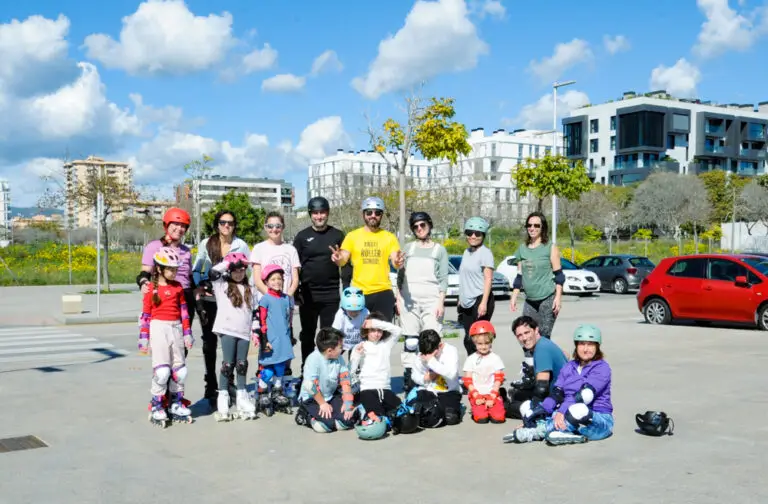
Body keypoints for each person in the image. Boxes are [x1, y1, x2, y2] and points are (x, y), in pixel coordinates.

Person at [503, 324, 614, 446]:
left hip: (597, 421)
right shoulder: (569, 366)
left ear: (597, 346)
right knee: (527, 406)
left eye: (590, 344)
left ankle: (539, 431)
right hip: (569, 414)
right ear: (576, 345)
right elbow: (557, 393)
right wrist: (536, 413)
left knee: (578, 409)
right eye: (582, 344)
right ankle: (558, 431)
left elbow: (585, 395)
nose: (586, 349)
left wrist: (561, 411)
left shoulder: (602, 368)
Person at [192, 210, 251, 408]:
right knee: (209, 342)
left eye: (231, 223)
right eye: (223, 222)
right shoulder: (207, 243)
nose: (227, 226)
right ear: (217, 224)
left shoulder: (240, 244)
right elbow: (197, 269)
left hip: (232, 298)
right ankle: (211, 385)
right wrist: (200, 286)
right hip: (210, 298)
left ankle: (230, 384)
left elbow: (247, 269)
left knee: (233, 342)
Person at [138, 247, 195, 427]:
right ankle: (156, 403)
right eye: (170, 269)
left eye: (176, 269)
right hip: (158, 328)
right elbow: (146, 314)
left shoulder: (178, 287)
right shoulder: (151, 288)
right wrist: (144, 338)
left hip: (176, 327)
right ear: (159, 269)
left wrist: (187, 332)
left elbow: (184, 312)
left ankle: (176, 402)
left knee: (180, 371)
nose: (174, 272)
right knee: (162, 372)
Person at [293, 196, 352, 369]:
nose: (319, 216)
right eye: (316, 213)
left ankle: (329, 371)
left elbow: (346, 264)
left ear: (327, 213)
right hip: (308, 295)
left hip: (331, 295)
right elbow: (295, 267)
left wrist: (347, 290)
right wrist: (295, 292)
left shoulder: (337, 235)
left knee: (329, 337)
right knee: (308, 335)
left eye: (323, 212)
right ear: (311, 214)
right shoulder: (302, 237)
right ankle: (307, 370)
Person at [397, 211, 449, 392]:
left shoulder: (439, 250)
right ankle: (410, 375)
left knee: (431, 339)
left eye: (422, 225)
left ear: (429, 225)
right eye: (416, 227)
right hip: (409, 300)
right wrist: (398, 299)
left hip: (431, 299)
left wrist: (441, 302)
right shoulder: (408, 248)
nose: (419, 229)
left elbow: (443, 278)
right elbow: (400, 275)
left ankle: (433, 374)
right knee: (411, 341)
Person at [330, 196, 403, 321]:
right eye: (369, 212)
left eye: (377, 212)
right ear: (363, 214)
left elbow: (395, 261)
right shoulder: (352, 236)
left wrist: (397, 262)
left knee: (383, 335)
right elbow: (343, 259)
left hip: (383, 291)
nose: (373, 215)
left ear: (382, 215)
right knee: (360, 335)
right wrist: (338, 258)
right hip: (359, 294)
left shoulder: (389, 237)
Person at [207, 252, 259, 422]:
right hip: (227, 330)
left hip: (244, 332)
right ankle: (223, 395)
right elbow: (213, 272)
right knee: (228, 364)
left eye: (242, 270)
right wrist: (228, 263)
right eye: (235, 270)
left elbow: (255, 312)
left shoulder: (250, 288)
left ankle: (242, 395)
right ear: (229, 271)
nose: (239, 273)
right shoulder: (221, 286)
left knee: (242, 364)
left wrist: (256, 330)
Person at [250, 211, 301, 375]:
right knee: (267, 342)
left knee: (285, 341)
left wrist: (286, 297)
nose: (274, 229)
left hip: (286, 304)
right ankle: (263, 383)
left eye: (278, 226)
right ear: (265, 228)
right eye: (270, 226)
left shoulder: (290, 249)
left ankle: (283, 381)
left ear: (283, 227)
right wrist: (273, 299)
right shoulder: (259, 248)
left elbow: (295, 278)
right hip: (267, 305)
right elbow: (258, 280)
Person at [137, 207, 196, 332]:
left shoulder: (186, 251)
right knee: (162, 337)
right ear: (166, 225)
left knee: (182, 340)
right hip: (164, 295)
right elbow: (144, 272)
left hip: (185, 295)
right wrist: (143, 282)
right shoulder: (154, 247)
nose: (179, 228)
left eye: (183, 226)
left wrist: (197, 293)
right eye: (175, 224)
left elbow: (189, 276)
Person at [509, 212, 563, 339]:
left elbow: (559, 276)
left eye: (536, 225)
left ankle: (549, 358)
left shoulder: (550, 247)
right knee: (526, 335)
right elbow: (519, 276)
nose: (532, 228)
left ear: (542, 227)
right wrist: (514, 297)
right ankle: (531, 359)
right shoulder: (522, 249)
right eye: (529, 225)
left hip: (547, 298)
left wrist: (558, 298)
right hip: (530, 300)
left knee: (543, 336)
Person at [503, 316, 567, 421]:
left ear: (536, 330)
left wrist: (534, 410)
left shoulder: (541, 349)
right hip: (561, 392)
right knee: (518, 394)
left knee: (507, 408)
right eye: (519, 335)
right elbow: (565, 355)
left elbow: (542, 388)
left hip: (557, 399)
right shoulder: (545, 342)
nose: (524, 338)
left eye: (527, 332)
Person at [295, 328, 357, 433]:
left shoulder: (338, 358)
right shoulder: (313, 359)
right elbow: (310, 386)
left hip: (330, 396)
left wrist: (347, 402)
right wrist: (322, 404)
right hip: (312, 398)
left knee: (347, 420)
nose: (342, 349)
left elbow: (345, 379)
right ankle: (304, 415)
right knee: (326, 426)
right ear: (329, 351)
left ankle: (330, 411)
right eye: (340, 347)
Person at [349, 312, 403, 426]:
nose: (376, 334)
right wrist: (357, 356)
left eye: (379, 330)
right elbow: (352, 371)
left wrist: (374, 322)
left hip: (385, 389)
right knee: (378, 419)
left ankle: (366, 410)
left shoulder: (386, 344)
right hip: (367, 389)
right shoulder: (361, 346)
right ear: (366, 331)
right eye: (373, 330)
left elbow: (398, 330)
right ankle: (361, 411)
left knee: (401, 415)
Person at [255, 264, 295, 416]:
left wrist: (290, 336)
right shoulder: (265, 299)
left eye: (279, 279)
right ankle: (263, 392)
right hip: (271, 339)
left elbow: (288, 320)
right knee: (268, 369)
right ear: (266, 282)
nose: (277, 282)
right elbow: (262, 321)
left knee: (280, 367)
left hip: (283, 338)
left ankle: (277, 392)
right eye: (273, 279)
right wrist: (264, 339)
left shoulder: (285, 299)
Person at [457, 216, 495, 356]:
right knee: (468, 339)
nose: (473, 236)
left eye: (477, 234)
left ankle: (485, 368)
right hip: (467, 301)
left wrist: (483, 303)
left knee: (480, 339)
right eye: (469, 233)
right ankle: (473, 369)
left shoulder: (485, 253)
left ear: (483, 235)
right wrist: (460, 298)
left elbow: (488, 279)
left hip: (480, 299)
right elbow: (464, 277)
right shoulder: (466, 252)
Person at [409, 329, 462, 428]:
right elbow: (414, 375)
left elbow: (452, 373)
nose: (427, 356)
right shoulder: (421, 354)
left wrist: (431, 361)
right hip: (427, 390)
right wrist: (425, 378)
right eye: (425, 354)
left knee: (451, 418)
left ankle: (452, 408)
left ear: (440, 345)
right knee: (422, 416)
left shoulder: (450, 351)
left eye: (431, 353)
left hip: (448, 391)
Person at [462, 321, 506, 424]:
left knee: (498, 419)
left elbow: (498, 379)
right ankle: (477, 408)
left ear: (491, 342)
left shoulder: (495, 358)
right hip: (477, 394)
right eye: (480, 344)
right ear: (474, 342)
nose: (484, 346)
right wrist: (476, 395)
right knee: (482, 419)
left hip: (492, 393)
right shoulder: (471, 359)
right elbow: (468, 381)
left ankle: (500, 399)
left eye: (487, 343)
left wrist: (493, 396)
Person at [332, 287, 369, 356]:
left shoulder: (365, 312)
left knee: (355, 361)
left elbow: (369, 328)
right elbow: (335, 331)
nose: (354, 314)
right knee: (334, 357)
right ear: (344, 308)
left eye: (357, 311)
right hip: (342, 342)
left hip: (358, 342)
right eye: (351, 311)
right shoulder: (340, 314)